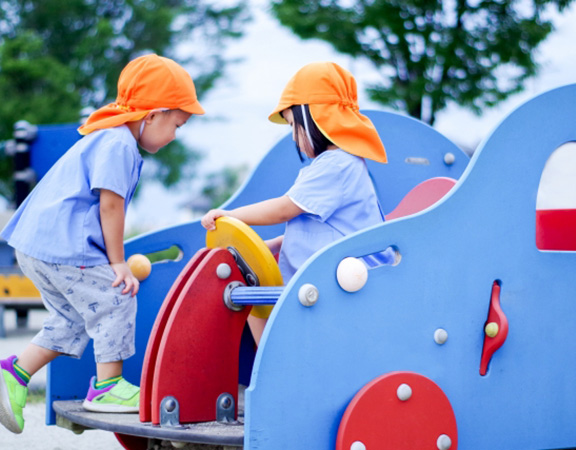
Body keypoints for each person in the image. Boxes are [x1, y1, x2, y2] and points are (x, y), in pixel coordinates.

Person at [0, 54, 204, 434]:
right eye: (177, 123)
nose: (176, 134)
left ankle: (13, 373)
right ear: (153, 114)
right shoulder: (118, 143)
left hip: (37, 245)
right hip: (62, 245)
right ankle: (108, 388)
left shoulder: (109, 137)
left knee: (74, 318)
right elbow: (110, 204)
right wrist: (118, 262)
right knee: (117, 296)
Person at [201, 61, 391, 342]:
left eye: (294, 125)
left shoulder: (337, 165)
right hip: (322, 280)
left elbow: (283, 210)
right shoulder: (335, 164)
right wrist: (274, 245)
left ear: (316, 118)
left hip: (334, 286)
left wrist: (230, 215)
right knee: (252, 298)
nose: (293, 136)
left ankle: (268, 366)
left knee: (253, 300)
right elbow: (312, 227)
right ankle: (268, 362)